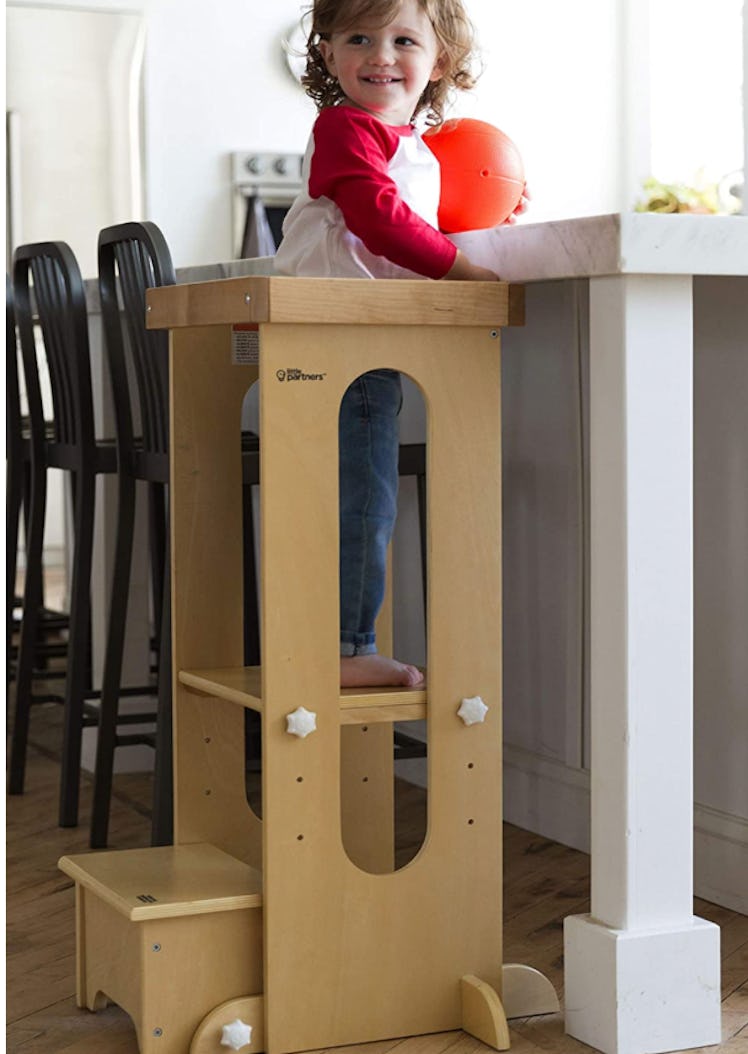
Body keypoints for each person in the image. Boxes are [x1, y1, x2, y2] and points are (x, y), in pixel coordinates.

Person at [275, 0, 527, 688]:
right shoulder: (345, 127)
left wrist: (499, 215)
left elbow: (421, 214)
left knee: (353, 493)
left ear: (439, 60)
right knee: (364, 495)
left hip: (358, 335)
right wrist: (463, 270)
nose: (381, 54)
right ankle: (345, 650)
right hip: (337, 336)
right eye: (359, 37)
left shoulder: (411, 145)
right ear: (328, 55)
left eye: (404, 39)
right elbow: (380, 217)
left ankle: (333, 642)